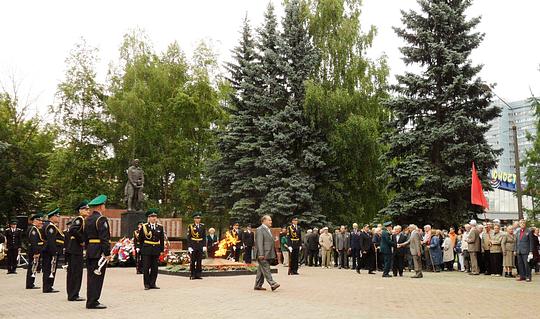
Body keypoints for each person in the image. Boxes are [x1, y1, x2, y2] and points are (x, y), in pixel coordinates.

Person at [84, 194, 111, 309]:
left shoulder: (88, 219)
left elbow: (85, 237)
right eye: (104, 205)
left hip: (91, 249)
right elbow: (104, 238)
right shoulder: (101, 219)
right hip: (99, 251)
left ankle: (90, 299)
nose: (105, 207)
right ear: (100, 206)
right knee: (97, 277)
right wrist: (107, 253)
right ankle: (93, 301)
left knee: (91, 277)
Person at [66, 200, 90, 301]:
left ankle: (72, 293)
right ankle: (74, 295)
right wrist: (82, 240)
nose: (88, 211)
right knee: (76, 272)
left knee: (73, 272)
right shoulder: (80, 219)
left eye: (88, 209)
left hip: (74, 248)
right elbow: (73, 230)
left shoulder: (81, 219)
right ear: (80, 210)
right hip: (76, 249)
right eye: (86, 209)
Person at [139, 208, 165, 289]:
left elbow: (162, 239)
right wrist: (141, 249)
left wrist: (161, 250)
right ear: (149, 218)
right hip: (146, 249)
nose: (154, 218)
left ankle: (153, 283)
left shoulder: (160, 227)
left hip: (156, 250)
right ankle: (146, 284)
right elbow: (141, 239)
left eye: (155, 216)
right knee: (146, 268)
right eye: (152, 216)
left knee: (155, 268)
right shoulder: (144, 227)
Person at [254, 215, 279, 291]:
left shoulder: (268, 229)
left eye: (271, 220)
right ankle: (272, 283)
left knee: (261, 270)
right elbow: (259, 242)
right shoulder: (260, 229)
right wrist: (261, 254)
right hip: (263, 253)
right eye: (269, 220)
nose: (271, 222)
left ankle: (258, 285)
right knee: (266, 268)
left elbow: (267, 241)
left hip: (268, 253)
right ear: (264, 221)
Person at [42, 208, 64, 293]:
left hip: (49, 250)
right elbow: (51, 240)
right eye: (57, 216)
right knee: (49, 268)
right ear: (52, 217)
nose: (58, 218)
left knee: (50, 268)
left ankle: (48, 286)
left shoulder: (50, 225)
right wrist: (54, 252)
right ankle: (47, 287)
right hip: (50, 251)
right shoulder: (50, 226)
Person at [26, 213, 45, 289]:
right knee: (32, 267)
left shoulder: (34, 229)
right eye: (39, 220)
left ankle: (31, 283)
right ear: (35, 221)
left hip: (34, 250)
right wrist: (36, 252)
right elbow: (34, 242)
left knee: (33, 266)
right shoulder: (33, 229)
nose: (41, 222)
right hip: (33, 251)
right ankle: (30, 284)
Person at [187, 212, 207, 280]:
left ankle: (198, 274)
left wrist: (204, 245)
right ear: (194, 219)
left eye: (199, 218)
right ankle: (192, 274)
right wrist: (189, 246)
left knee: (199, 260)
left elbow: (204, 236)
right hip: (193, 244)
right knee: (193, 260)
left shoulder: (202, 226)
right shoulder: (191, 226)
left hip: (200, 245)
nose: (198, 219)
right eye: (196, 218)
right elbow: (189, 237)